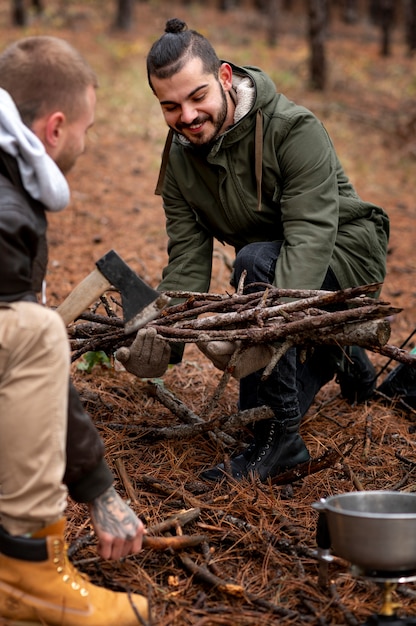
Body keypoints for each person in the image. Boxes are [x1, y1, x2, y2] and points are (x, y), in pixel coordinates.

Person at [118, 18, 389, 484]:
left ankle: (277, 441)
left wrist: (258, 328)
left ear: (224, 77)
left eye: (197, 96)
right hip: (275, 271)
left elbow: (308, 237)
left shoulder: (293, 128)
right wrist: (165, 338)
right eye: (170, 106)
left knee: (254, 263)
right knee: (258, 264)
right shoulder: (181, 158)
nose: (186, 116)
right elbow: (186, 257)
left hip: (345, 251)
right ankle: (341, 354)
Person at [0, 36, 149, 624]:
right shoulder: (6, 213)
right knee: (35, 333)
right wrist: (99, 490)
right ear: (56, 127)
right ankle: (28, 570)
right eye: (88, 128)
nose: (88, 143)